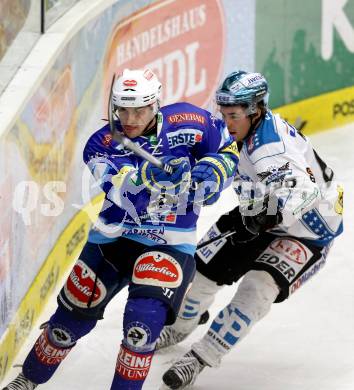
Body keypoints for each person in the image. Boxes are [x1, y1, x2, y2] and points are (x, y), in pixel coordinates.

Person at [3, 68, 239, 390]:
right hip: (112, 243)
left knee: (141, 330)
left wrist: (210, 173)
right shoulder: (100, 144)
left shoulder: (190, 120)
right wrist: (148, 177)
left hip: (169, 243)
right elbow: (120, 185)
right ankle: (27, 380)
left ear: (156, 104)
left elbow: (227, 150)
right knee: (65, 326)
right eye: (122, 109)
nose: (129, 117)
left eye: (139, 109)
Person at [157, 70, 344, 389]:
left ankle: (202, 355)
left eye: (233, 115)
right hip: (264, 210)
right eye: (223, 112)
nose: (226, 121)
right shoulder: (251, 132)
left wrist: (260, 221)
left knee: (258, 288)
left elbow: (304, 194)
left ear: (255, 111)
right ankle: (184, 323)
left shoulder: (269, 150)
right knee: (200, 267)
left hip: (310, 232)